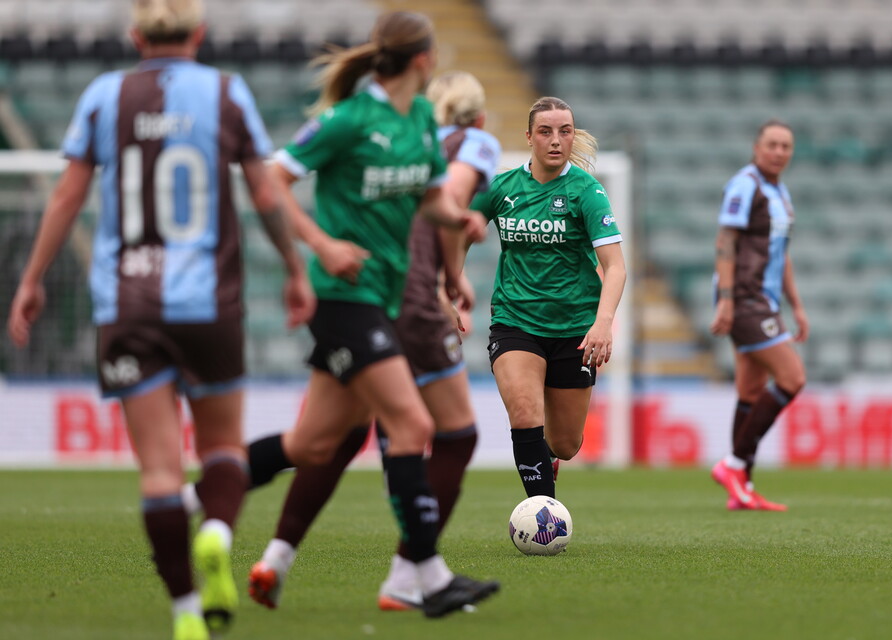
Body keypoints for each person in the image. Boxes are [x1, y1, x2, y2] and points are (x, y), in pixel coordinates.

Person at [5, 2, 314, 639]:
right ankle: (220, 532)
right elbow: (263, 192)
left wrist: (31, 280)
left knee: (158, 470)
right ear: (199, 34)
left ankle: (183, 612)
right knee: (223, 447)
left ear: (134, 35)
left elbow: (67, 194)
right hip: (208, 303)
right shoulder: (227, 92)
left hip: (128, 306)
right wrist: (294, 267)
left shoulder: (104, 94)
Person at [235, 13, 497, 619]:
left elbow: (431, 197)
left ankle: (208, 497)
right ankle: (424, 577)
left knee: (314, 441)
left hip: (383, 293)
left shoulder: (423, 121)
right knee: (414, 427)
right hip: (339, 294)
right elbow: (272, 183)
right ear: (424, 60)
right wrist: (321, 245)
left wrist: (457, 223)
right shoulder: (351, 117)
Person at [468, 96, 627, 500]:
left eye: (565, 131)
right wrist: (450, 287)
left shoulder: (587, 192)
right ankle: (544, 513)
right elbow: (454, 234)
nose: (556, 140)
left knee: (565, 444)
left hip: (575, 329)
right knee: (525, 412)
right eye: (546, 131)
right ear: (529, 137)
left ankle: (549, 462)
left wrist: (603, 323)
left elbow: (616, 267)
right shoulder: (502, 189)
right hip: (515, 320)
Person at [708, 119, 808, 512]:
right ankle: (733, 465)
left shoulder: (779, 192)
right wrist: (727, 299)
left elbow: (780, 254)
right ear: (757, 147)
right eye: (772, 144)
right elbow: (725, 241)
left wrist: (796, 304)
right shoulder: (745, 184)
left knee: (751, 391)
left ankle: (741, 488)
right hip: (746, 298)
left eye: (786, 146)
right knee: (792, 377)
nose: (779, 151)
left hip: (765, 300)